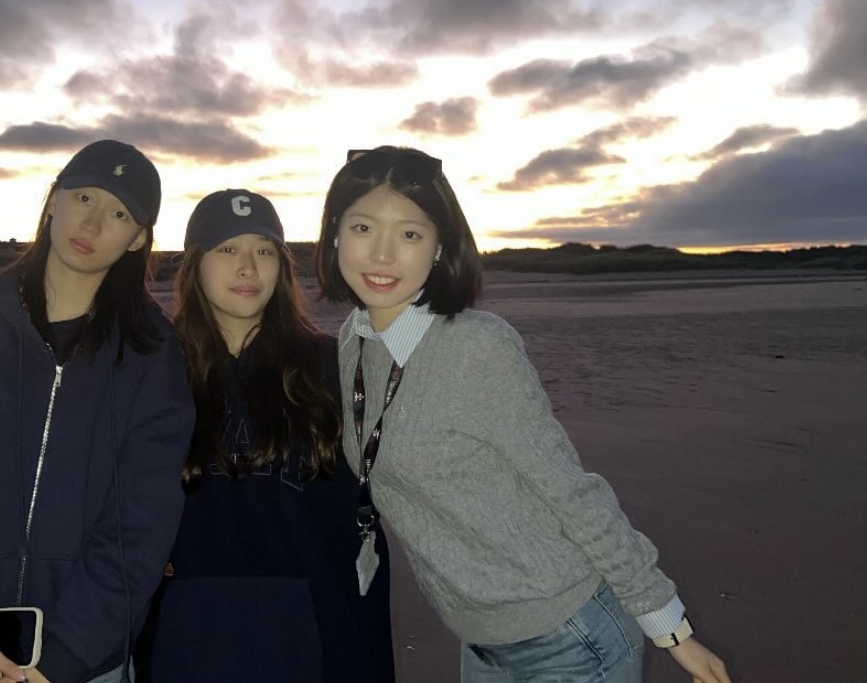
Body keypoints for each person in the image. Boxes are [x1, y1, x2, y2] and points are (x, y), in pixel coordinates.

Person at [314, 146, 731, 683]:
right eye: (364, 227)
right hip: (480, 638)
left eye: (411, 234)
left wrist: (671, 628)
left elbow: (569, 489)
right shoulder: (353, 342)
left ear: (440, 248)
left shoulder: (474, 347)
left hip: (571, 636)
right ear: (334, 236)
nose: (384, 254)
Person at [0, 139, 195, 683]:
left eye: (119, 213)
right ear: (54, 200)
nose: (92, 224)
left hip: (81, 661)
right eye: (84, 197)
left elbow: (140, 519)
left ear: (139, 238)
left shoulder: (151, 353)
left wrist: (65, 655)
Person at [144, 189, 394, 683]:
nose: (247, 268)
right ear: (194, 265)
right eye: (227, 249)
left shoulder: (334, 367)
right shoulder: (154, 372)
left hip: (314, 632)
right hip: (187, 637)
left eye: (263, 251)